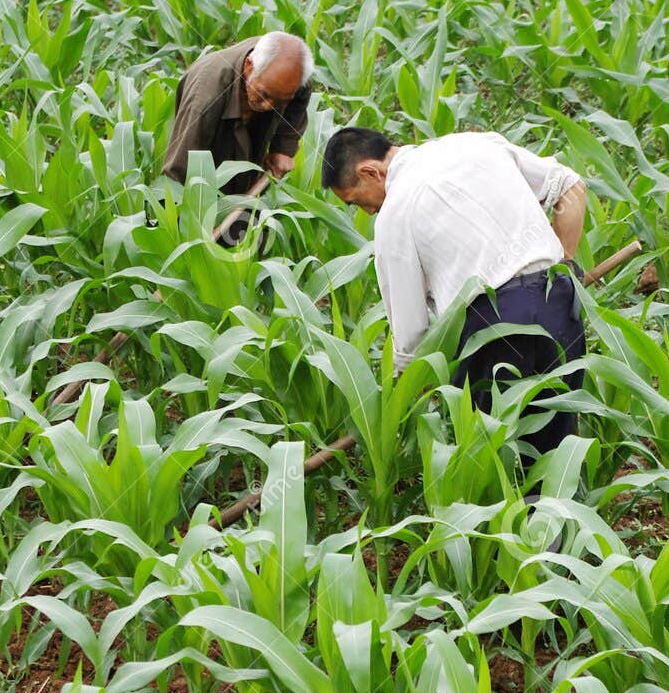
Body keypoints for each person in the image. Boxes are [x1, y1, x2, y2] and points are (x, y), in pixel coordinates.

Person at [320, 127, 587, 457]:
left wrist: (400, 406)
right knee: (556, 453)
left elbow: (411, 341)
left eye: (357, 201)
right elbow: (570, 187)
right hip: (559, 305)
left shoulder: (394, 214)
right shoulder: (476, 143)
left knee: (495, 464)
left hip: (492, 333)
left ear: (370, 171)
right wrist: (565, 269)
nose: (366, 211)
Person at [162, 32, 314, 190]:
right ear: (249, 67)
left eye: (281, 100)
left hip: (252, 134)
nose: (268, 106)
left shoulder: (295, 76)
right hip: (213, 130)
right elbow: (176, 173)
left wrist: (283, 148)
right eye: (264, 94)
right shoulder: (205, 97)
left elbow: (300, 98)